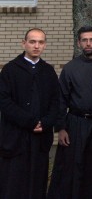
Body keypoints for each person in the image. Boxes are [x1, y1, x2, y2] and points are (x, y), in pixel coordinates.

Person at [48, 26, 92, 199]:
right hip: (76, 124)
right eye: (84, 40)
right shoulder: (70, 68)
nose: (88, 43)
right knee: (74, 167)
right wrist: (61, 128)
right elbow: (60, 100)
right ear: (79, 43)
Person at [0, 28, 60, 199]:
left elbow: (56, 102)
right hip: (16, 138)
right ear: (24, 43)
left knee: (37, 182)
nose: (36, 46)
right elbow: (4, 102)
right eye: (32, 41)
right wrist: (29, 122)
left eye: (40, 42)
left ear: (45, 45)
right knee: (13, 183)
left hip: (40, 139)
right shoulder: (10, 70)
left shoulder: (48, 71)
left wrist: (46, 122)